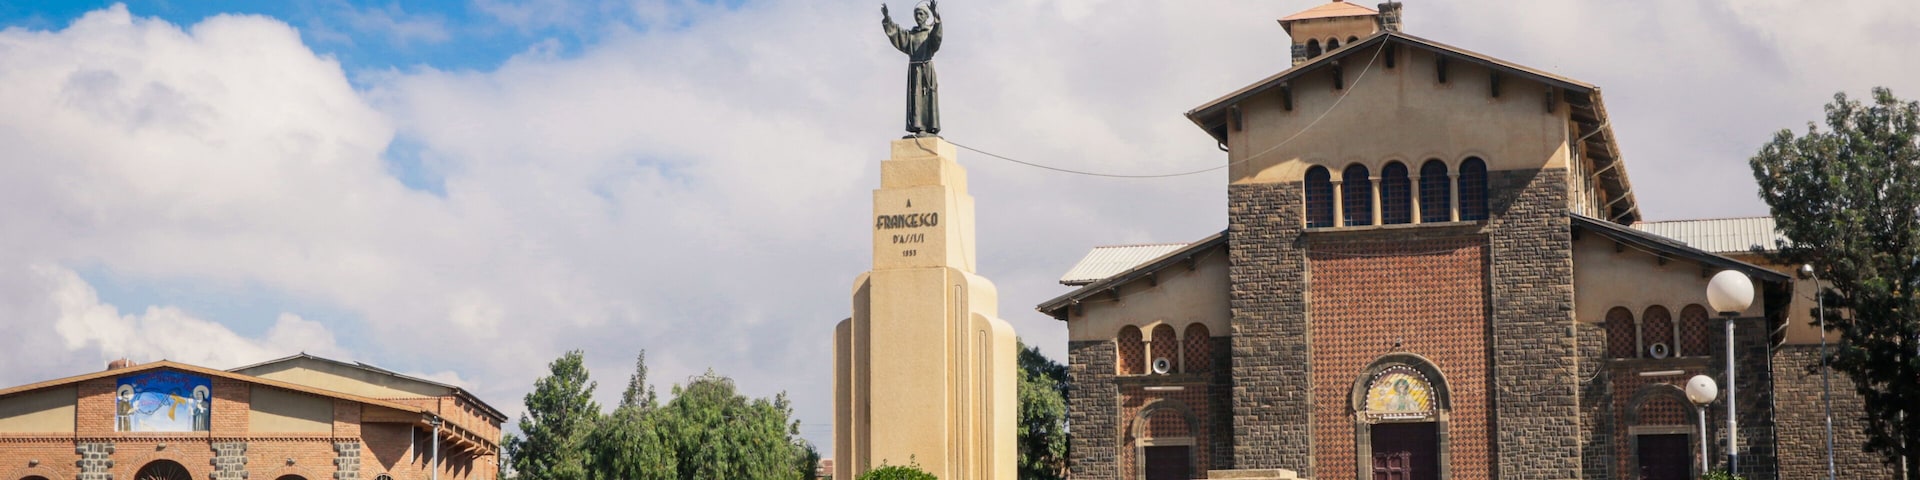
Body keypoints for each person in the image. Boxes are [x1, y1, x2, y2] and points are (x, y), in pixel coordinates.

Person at [881, 0, 942, 136]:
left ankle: (931, 127)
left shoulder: (929, 33)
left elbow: (937, 37)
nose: (918, 17)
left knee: (928, 99)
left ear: (926, 17)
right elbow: (896, 33)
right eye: (916, 14)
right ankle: (918, 127)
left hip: (927, 69)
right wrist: (887, 18)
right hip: (914, 70)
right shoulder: (911, 35)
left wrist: (936, 15)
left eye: (921, 14)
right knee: (916, 98)